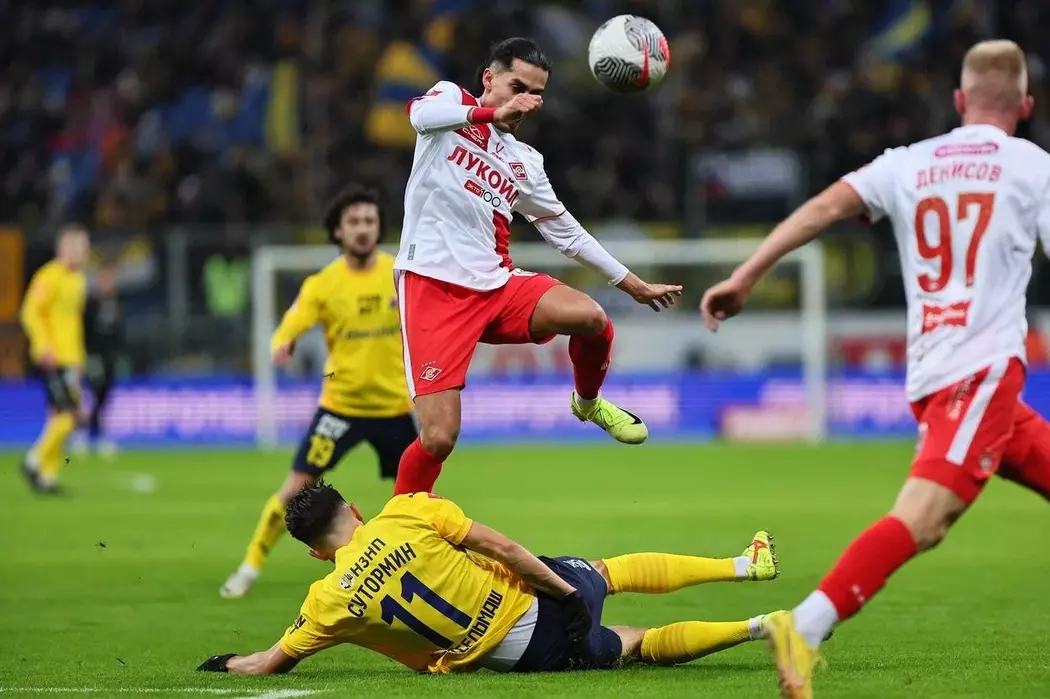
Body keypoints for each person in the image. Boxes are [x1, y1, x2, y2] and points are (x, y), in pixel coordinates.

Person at [700, 40, 1050, 698]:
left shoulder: (908, 163)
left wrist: (745, 275)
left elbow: (822, 209)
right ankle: (806, 623)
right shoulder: (1033, 167)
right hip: (979, 374)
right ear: (1026, 105)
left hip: (935, 371)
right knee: (925, 518)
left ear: (958, 100)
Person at [392, 38, 682, 495]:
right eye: (518, 87)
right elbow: (417, 116)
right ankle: (398, 525)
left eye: (536, 94)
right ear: (489, 78)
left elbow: (566, 232)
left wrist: (633, 284)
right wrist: (488, 115)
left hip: (497, 285)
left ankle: (587, 404)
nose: (527, 102)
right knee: (439, 437)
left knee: (591, 318)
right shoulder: (450, 102)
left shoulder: (523, 160)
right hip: (432, 287)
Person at [198, 482, 782, 675]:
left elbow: (268, 662)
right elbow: (500, 546)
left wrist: (225, 664)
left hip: (516, 655)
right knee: (606, 572)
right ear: (353, 509)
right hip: (532, 600)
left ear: (314, 553)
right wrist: (565, 592)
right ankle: (743, 566)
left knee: (635, 642)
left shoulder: (326, 600)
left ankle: (762, 627)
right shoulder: (405, 512)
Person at [220, 185, 417, 599]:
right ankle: (249, 567)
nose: (362, 228)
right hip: (340, 409)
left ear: (379, 226)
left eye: (369, 220)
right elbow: (290, 323)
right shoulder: (323, 284)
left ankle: (415, 566)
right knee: (295, 489)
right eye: (354, 221)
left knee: (416, 497)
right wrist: (283, 342)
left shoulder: (401, 272)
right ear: (338, 231)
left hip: (395, 408)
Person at [20, 224, 91, 494]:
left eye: (84, 247)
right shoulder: (49, 276)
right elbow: (30, 312)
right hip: (54, 356)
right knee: (69, 415)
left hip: (71, 358)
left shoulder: (78, 279)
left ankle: (46, 476)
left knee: (59, 418)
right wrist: (43, 346)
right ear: (63, 249)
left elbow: (74, 323)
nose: (81, 252)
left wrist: (80, 357)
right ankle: (34, 460)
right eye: (77, 247)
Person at [78, 260, 123, 458]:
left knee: (105, 394)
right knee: (92, 392)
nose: (108, 283)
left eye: (110, 279)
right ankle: (84, 433)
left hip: (110, 356)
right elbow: (84, 329)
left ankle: (98, 433)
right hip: (94, 355)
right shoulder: (91, 303)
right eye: (105, 279)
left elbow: (119, 331)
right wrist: (87, 354)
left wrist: (120, 352)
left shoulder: (116, 303)